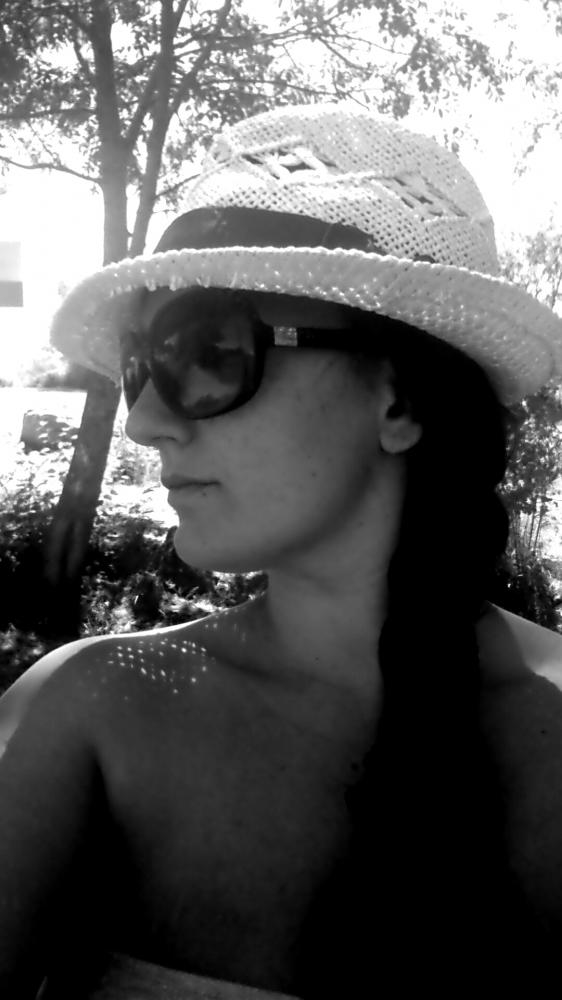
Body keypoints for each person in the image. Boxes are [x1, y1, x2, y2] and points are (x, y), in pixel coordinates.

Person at [2, 103, 562, 999]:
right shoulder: (86, 714)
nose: (144, 421)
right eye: (143, 364)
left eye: (207, 351)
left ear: (401, 400)